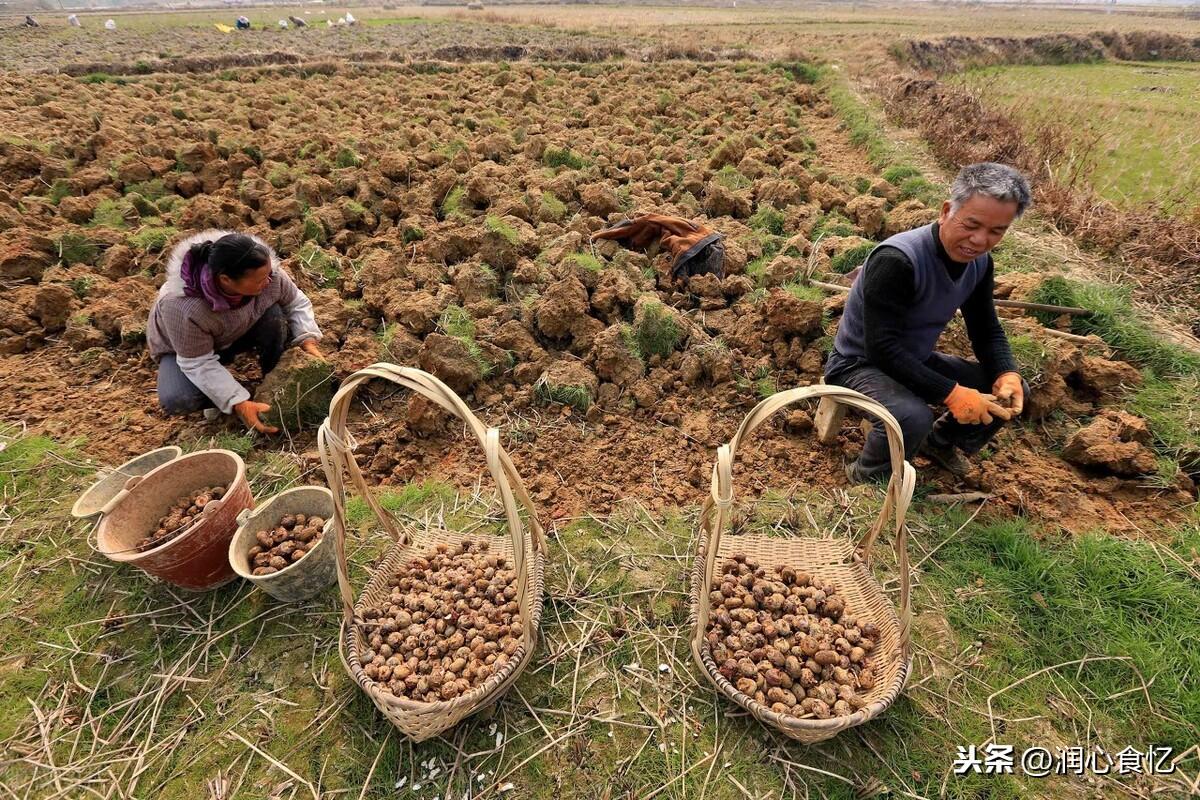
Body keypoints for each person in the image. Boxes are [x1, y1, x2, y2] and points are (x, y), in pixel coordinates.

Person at [825, 162, 1032, 483]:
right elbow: (881, 348)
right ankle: (866, 477)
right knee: (910, 416)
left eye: (996, 231)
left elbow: (986, 329)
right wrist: (952, 393)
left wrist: (1007, 372)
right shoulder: (897, 261)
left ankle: (939, 442)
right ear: (947, 210)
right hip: (859, 364)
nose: (979, 240)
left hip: (914, 358)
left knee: (1009, 391)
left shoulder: (979, 264)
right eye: (971, 224)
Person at [148, 230, 324, 434]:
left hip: (236, 331)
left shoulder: (268, 274)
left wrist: (308, 338)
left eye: (268, 275)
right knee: (177, 398)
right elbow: (197, 362)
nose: (268, 282)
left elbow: (295, 302)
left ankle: (275, 378)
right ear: (226, 280)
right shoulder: (182, 306)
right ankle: (221, 399)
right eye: (259, 280)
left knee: (274, 314)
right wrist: (237, 401)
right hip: (185, 351)